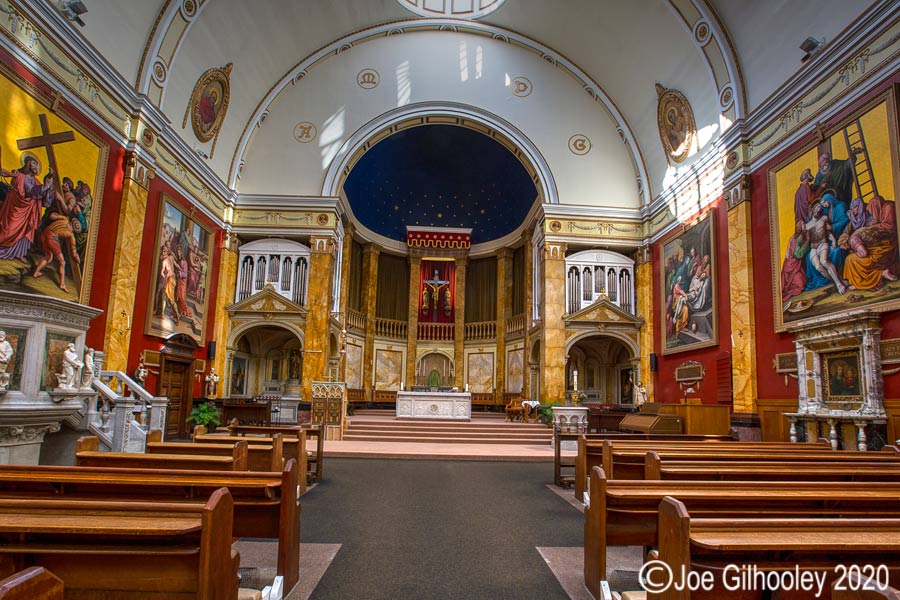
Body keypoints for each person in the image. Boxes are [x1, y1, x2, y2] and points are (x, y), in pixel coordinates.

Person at [0, 154, 56, 260]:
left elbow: (44, 201)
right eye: (34, 163)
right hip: (17, 208)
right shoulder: (20, 175)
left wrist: (48, 189)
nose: (37, 167)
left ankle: (19, 253)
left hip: (28, 212)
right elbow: (30, 191)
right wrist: (45, 187)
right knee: (9, 230)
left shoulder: (35, 181)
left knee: (25, 231)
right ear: (28, 163)